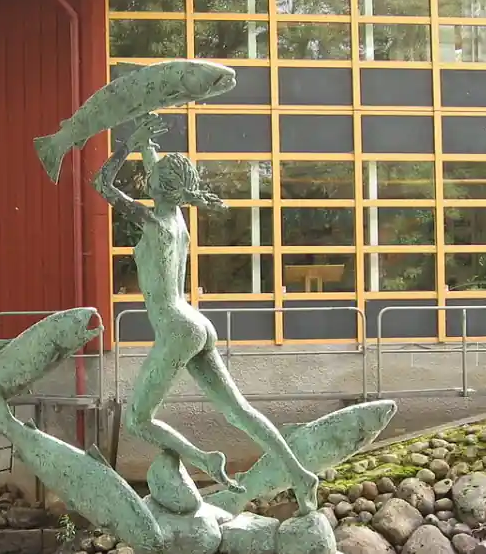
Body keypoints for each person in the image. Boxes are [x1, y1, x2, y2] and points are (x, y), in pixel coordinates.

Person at [94, 114, 320, 511]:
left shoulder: (152, 220)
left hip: (176, 327)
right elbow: (159, 174)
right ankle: (300, 475)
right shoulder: (176, 217)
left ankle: (202, 459)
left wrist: (124, 144)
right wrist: (147, 144)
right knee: (239, 411)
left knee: (137, 420)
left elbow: (102, 184)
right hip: (195, 322)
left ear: (158, 187)